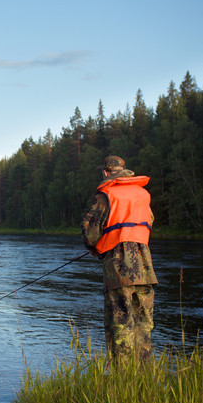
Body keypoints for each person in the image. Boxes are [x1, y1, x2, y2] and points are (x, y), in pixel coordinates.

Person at [81, 155, 158, 362]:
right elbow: (148, 222)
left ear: (106, 172)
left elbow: (90, 233)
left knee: (120, 326)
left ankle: (122, 381)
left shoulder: (106, 195)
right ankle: (144, 379)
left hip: (118, 269)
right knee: (144, 326)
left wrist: (96, 249)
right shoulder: (143, 194)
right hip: (145, 268)